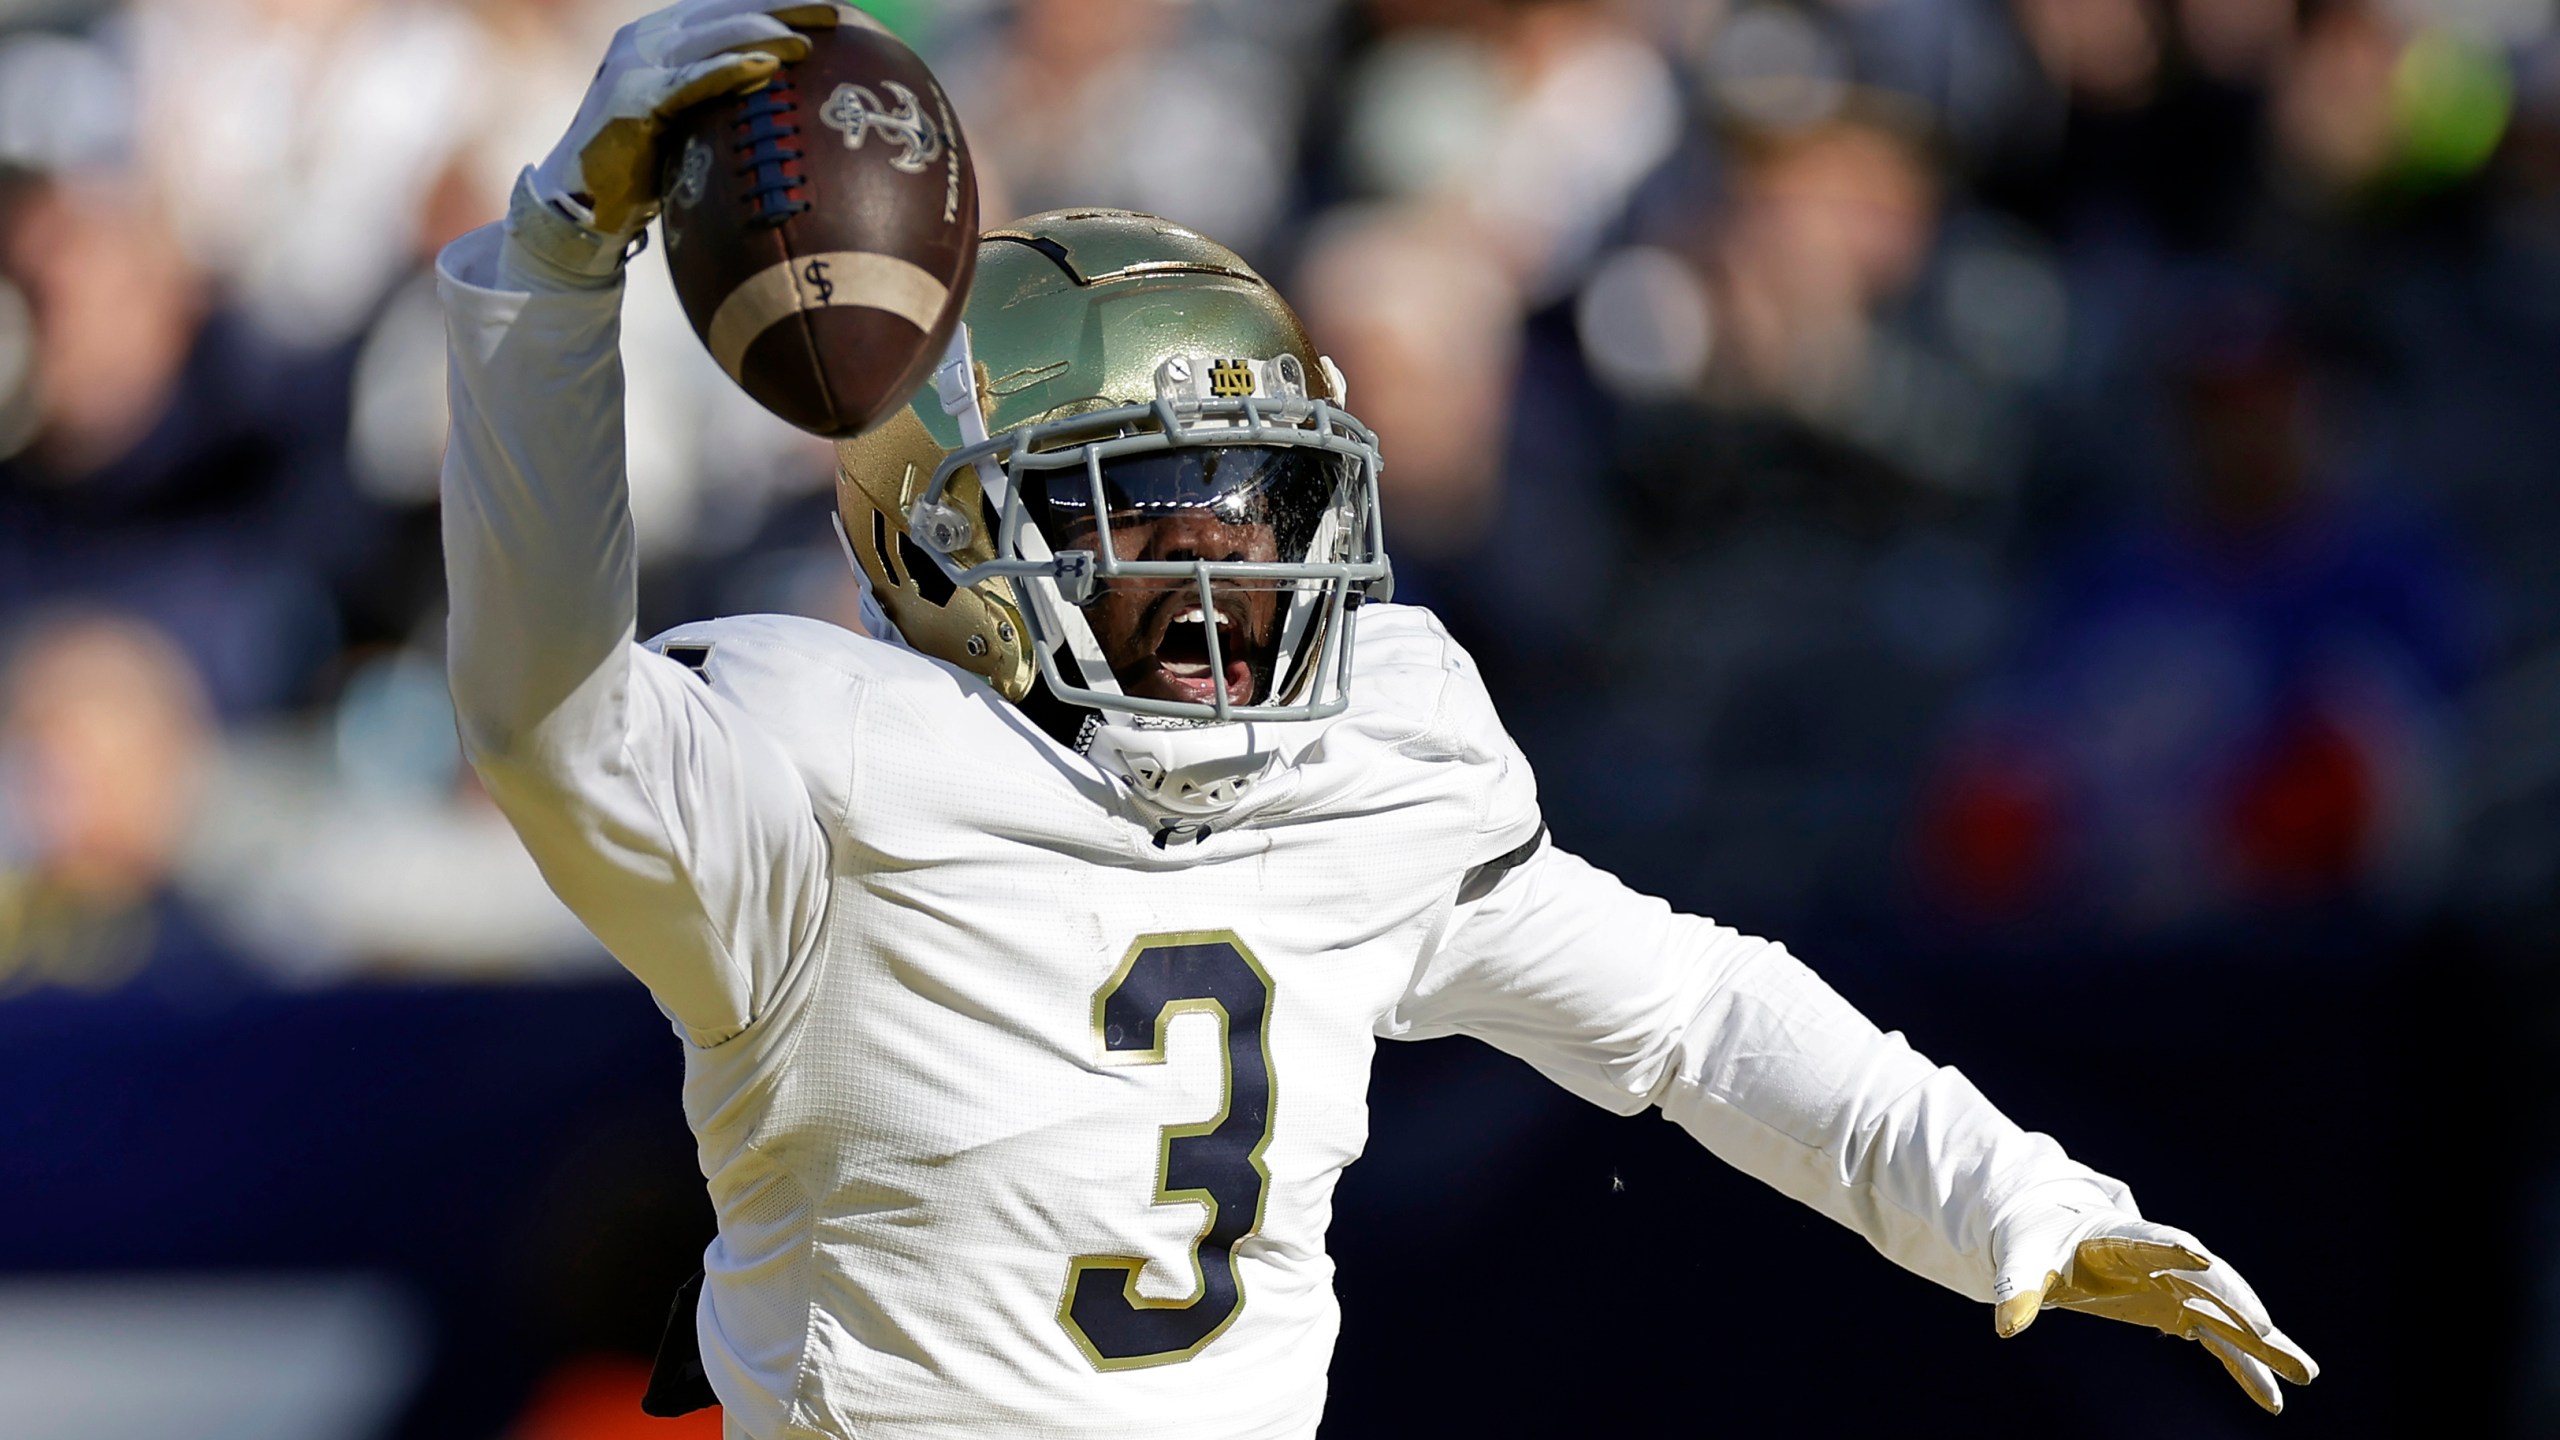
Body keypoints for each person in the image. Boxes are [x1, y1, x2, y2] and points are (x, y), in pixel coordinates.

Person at [439, 3, 2318, 1435]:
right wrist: (550, 270)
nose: (1220, 578)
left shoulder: (1369, 770)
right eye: (1133, 518)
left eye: (1250, 508)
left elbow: (1698, 1018)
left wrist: (2019, 1204)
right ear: (941, 546)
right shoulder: (817, 786)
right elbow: (542, 707)